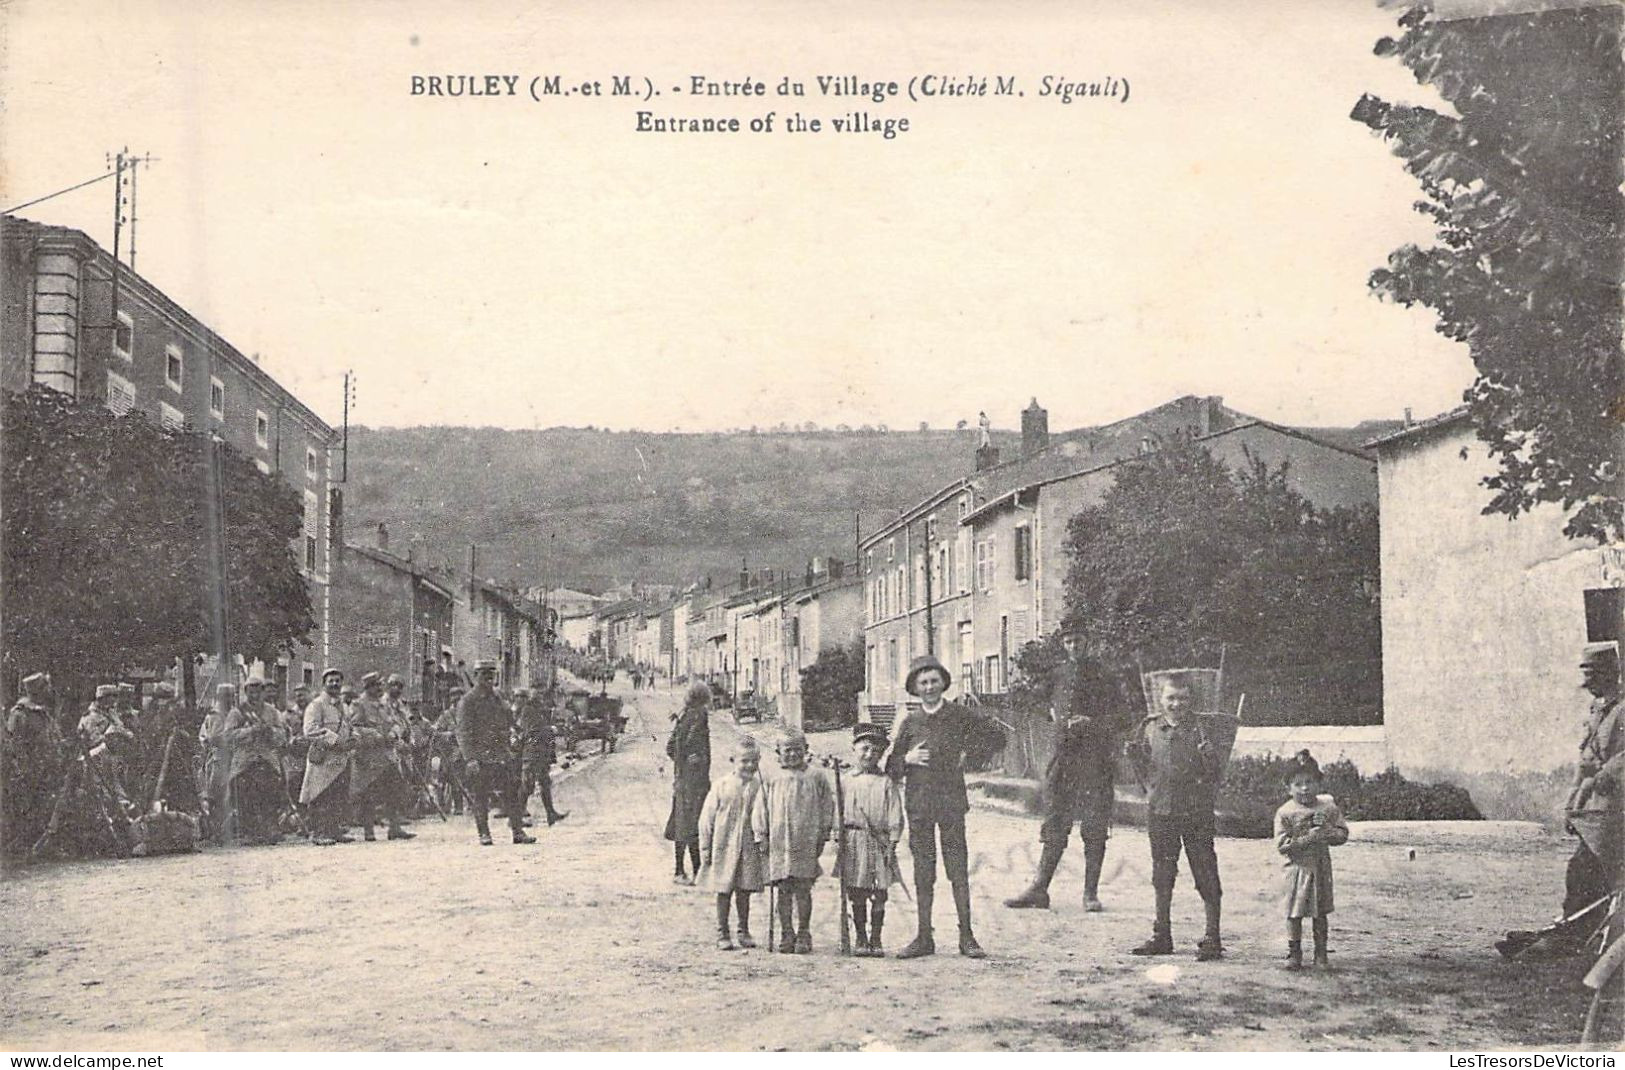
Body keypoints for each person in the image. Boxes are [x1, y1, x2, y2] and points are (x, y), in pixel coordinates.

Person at [884, 655, 1007, 959]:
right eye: (922, 682)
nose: (929, 687)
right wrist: (907, 760)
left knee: (957, 869)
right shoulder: (910, 722)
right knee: (923, 871)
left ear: (943, 683)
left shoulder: (959, 715)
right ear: (915, 687)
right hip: (920, 805)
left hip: (951, 803)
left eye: (933, 681)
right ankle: (924, 937)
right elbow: (890, 766)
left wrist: (973, 756)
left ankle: (967, 937)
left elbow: (997, 736)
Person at [1007, 641, 1129, 912]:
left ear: (1088, 639)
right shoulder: (1058, 673)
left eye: (1080, 639)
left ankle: (1090, 894)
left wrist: (1092, 723)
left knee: (1094, 824)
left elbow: (1123, 717)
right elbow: (1033, 700)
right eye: (1069, 640)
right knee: (1055, 822)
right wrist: (1051, 714)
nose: (1075, 645)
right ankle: (1039, 888)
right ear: (1064, 642)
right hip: (1064, 759)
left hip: (1095, 760)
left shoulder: (1104, 674)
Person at [1128, 672, 1227, 961]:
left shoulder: (1203, 728)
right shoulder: (1148, 728)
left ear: (1191, 699)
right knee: (1162, 873)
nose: (1176, 704)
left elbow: (1217, 773)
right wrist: (1136, 763)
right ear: (1160, 699)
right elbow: (1142, 766)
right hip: (1160, 810)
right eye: (1170, 697)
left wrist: (1209, 756)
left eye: (1182, 698)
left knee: (1205, 869)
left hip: (1196, 811)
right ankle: (1162, 935)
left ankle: (1212, 937)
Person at [761, 729, 834, 954]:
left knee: (803, 889)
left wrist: (824, 832)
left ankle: (804, 931)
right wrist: (760, 835)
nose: (792, 754)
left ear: (806, 750)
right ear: (778, 752)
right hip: (779, 843)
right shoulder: (771, 777)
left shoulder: (816, 776)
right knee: (783, 889)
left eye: (797, 749)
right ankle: (786, 932)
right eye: (787, 750)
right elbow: (760, 808)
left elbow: (826, 806)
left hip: (806, 841)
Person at [1273, 750, 1349, 969]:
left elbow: (1342, 834)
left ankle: (1321, 954)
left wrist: (1326, 831)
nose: (1304, 788)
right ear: (1288, 787)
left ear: (1319, 783)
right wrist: (1307, 838)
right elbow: (1282, 845)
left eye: (1310, 782)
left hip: (1320, 867)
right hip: (1296, 869)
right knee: (1293, 911)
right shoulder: (1285, 812)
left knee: (1320, 911)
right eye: (1297, 784)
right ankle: (1294, 953)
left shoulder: (1328, 809)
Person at [838, 721, 905, 957]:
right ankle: (860, 937)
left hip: (880, 843)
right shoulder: (846, 781)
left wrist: (893, 842)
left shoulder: (886, 783)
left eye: (876, 751)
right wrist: (838, 836)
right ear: (854, 749)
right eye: (865, 748)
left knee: (879, 892)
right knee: (857, 890)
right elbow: (836, 812)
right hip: (853, 842)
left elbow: (895, 814)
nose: (870, 754)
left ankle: (876, 937)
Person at [696, 735, 767, 951]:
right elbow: (706, 819)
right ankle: (722, 932)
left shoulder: (760, 787)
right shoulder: (721, 785)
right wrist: (705, 848)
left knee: (744, 890)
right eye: (744, 761)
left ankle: (743, 930)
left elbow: (764, 816)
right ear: (733, 760)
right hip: (724, 844)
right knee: (724, 889)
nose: (749, 765)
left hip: (747, 846)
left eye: (754, 761)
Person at [456, 660, 534, 846]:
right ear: (476, 676)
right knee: (480, 796)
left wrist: (515, 735)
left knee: (512, 793)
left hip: (501, 755)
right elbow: (464, 732)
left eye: (492, 675)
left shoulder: (498, 698)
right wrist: (470, 758)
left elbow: (510, 721)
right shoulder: (468, 701)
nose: (489, 679)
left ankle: (517, 832)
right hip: (481, 756)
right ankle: (484, 833)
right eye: (484, 675)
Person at [222, 675, 288, 845]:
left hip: (266, 759)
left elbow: (282, 736)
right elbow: (228, 736)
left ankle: (270, 828)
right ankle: (250, 831)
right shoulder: (237, 712)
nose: (255, 696)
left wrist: (269, 732)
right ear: (246, 692)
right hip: (245, 762)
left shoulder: (272, 712)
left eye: (258, 692)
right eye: (251, 692)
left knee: (271, 791)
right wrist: (250, 731)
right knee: (245, 793)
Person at [348, 671, 414, 842]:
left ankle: (394, 827)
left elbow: (394, 723)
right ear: (368, 687)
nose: (380, 688)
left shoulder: (384, 705)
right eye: (377, 685)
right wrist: (373, 734)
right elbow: (353, 727)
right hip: (368, 757)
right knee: (368, 794)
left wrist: (394, 733)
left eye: (380, 685)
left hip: (387, 756)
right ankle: (369, 831)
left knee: (395, 790)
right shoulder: (359, 704)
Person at [4, 672, 61, 855]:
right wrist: (23, 768)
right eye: (45, 687)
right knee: (27, 808)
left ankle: (41, 847)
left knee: (45, 807)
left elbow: (53, 737)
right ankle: (21, 848)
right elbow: (14, 744)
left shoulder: (43, 712)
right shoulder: (20, 713)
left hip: (47, 768)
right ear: (36, 690)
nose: (48, 690)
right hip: (29, 770)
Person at [665, 683, 712, 883]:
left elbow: (670, 748)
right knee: (693, 824)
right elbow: (694, 747)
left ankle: (683, 870)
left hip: (682, 780)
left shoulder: (684, 717)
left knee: (682, 823)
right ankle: (694, 871)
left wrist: (680, 762)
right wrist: (692, 760)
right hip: (695, 781)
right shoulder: (699, 716)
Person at [301, 668, 354, 846]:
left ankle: (334, 829)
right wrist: (335, 740)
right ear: (324, 684)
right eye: (331, 681)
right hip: (324, 758)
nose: (335, 684)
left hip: (341, 759)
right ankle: (318, 832)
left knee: (338, 795)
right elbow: (310, 730)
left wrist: (353, 738)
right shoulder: (316, 705)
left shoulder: (344, 706)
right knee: (320, 795)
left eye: (338, 680)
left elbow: (349, 727)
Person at [79, 683, 136, 811]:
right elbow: (93, 741)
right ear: (103, 698)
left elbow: (122, 729)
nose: (115, 700)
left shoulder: (111, 713)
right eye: (112, 697)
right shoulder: (90, 717)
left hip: (115, 756)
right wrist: (112, 735)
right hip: (95, 758)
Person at [516, 687, 567, 825]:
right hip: (532, 752)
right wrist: (550, 729)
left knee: (545, 783)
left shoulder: (539, 711)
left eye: (541, 694)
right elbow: (532, 731)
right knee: (527, 785)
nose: (541, 697)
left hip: (541, 753)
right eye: (538, 694)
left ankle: (551, 813)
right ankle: (516, 818)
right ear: (531, 696)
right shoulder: (528, 710)